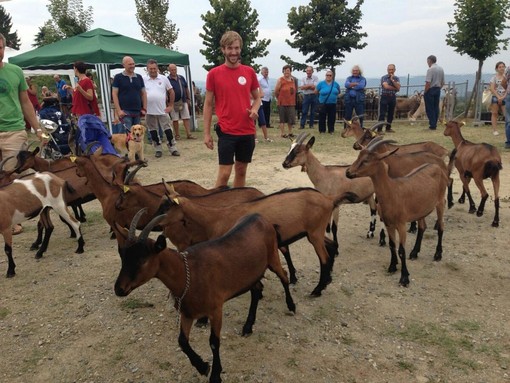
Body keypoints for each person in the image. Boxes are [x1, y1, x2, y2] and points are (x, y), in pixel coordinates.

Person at [203, 30, 260, 188]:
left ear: (240, 48)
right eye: (230, 48)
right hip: (227, 131)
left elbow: (258, 97)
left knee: (241, 171)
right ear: (223, 49)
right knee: (224, 174)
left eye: (236, 48)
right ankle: (214, 207)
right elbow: (208, 104)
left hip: (247, 131)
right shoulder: (214, 74)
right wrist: (207, 134)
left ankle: (237, 205)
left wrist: (255, 109)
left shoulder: (249, 72)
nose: (233, 52)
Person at [0, 33, 43, 235]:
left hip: (14, 130)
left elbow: (26, 102)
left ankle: (14, 219)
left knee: (11, 173)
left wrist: (38, 128)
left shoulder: (15, 71)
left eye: (0, 47)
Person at [143, 59, 180, 157]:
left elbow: (171, 91)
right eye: (150, 69)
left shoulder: (163, 78)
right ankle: (158, 149)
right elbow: (140, 93)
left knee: (167, 129)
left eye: (154, 68)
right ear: (147, 69)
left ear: (157, 68)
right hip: (149, 110)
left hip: (162, 109)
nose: (153, 70)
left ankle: (172, 148)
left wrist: (171, 105)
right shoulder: (143, 79)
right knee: (153, 131)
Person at [112, 56, 147, 134]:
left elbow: (143, 93)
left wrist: (144, 108)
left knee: (136, 137)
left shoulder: (139, 77)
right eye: (129, 64)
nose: (132, 66)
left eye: (133, 64)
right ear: (124, 65)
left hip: (137, 112)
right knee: (125, 136)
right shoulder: (118, 77)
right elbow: (114, 94)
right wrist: (119, 110)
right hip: (125, 112)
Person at [168, 63, 196, 140]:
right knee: (175, 119)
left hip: (183, 100)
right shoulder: (167, 79)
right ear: (169, 70)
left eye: (175, 69)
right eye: (172, 70)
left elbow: (186, 88)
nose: (174, 71)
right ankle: (177, 135)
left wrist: (188, 98)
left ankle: (189, 134)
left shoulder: (181, 78)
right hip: (173, 102)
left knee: (186, 117)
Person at [274, 64, 296, 138]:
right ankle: (282, 133)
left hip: (291, 102)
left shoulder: (293, 80)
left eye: (288, 71)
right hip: (282, 102)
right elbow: (276, 91)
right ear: (283, 71)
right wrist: (279, 98)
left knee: (290, 118)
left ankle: (290, 132)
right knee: (282, 118)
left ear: (290, 71)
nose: (287, 72)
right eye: (285, 71)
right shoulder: (280, 80)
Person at [424, 55, 445, 130]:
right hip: (438, 89)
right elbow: (443, 82)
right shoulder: (441, 69)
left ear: (429, 61)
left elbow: (428, 82)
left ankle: (432, 124)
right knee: (436, 107)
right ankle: (435, 122)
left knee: (430, 108)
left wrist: (425, 91)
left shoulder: (430, 69)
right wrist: (439, 88)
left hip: (430, 89)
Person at [316, 70, 341, 134]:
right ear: (325, 76)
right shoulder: (321, 84)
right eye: (327, 75)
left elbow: (339, 91)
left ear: (332, 76)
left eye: (330, 75)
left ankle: (331, 130)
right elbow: (316, 91)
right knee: (322, 117)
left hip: (333, 103)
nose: (328, 76)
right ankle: (322, 130)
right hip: (323, 103)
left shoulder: (335, 84)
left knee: (332, 118)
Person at [377, 64, 400, 133]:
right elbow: (386, 86)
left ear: (395, 70)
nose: (391, 71)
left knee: (391, 113)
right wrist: (395, 87)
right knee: (382, 114)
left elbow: (398, 88)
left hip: (392, 96)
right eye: (389, 69)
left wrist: (392, 80)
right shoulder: (383, 78)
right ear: (387, 70)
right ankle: (379, 129)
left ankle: (388, 128)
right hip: (384, 96)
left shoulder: (396, 78)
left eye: (392, 69)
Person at [489, 61, 507, 136]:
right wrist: (498, 97)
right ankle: (495, 130)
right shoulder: (494, 77)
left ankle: (507, 130)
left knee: (506, 114)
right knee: (494, 113)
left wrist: (503, 97)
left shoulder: (507, 77)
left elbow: (508, 89)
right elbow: (492, 88)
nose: (502, 68)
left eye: (503, 67)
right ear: (496, 69)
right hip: (495, 96)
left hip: (505, 96)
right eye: (500, 67)